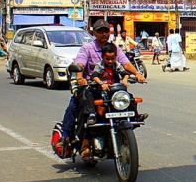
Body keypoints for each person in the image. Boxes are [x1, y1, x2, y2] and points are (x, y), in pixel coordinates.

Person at [57, 19, 147, 149]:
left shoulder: (113, 48)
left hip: (112, 88)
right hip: (91, 86)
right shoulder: (87, 49)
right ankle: (82, 141)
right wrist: (80, 77)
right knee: (78, 106)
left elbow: (126, 64)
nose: (104, 34)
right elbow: (80, 64)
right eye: (100, 31)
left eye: (106, 31)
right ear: (94, 33)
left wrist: (137, 74)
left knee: (128, 98)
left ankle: (131, 121)